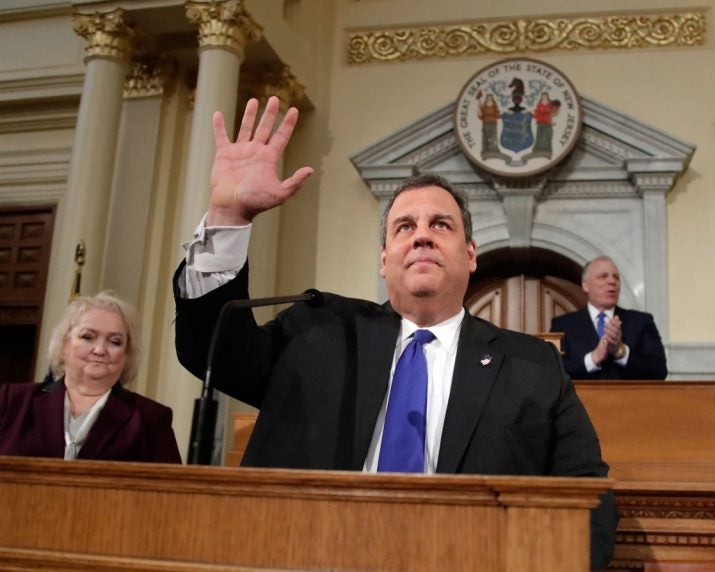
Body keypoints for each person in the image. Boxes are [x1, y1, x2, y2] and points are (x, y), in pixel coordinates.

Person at [173, 96, 617, 569]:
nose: (422, 235)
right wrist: (228, 218)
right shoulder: (318, 330)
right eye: (405, 226)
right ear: (384, 260)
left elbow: (588, 499)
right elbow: (214, 353)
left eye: (439, 224)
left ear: (470, 255)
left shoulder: (533, 367)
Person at [0, 292, 182, 463]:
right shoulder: (12, 401)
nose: (100, 350)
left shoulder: (151, 418)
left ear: (127, 354)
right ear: (64, 343)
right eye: (88, 337)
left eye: (114, 342)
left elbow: (170, 492)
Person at [550, 256, 668, 380]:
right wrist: (593, 359)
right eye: (603, 276)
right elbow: (552, 372)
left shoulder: (642, 322)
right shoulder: (561, 325)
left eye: (616, 277)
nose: (612, 281)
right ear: (585, 285)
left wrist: (621, 352)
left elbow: (659, 371)